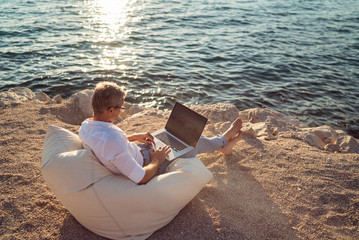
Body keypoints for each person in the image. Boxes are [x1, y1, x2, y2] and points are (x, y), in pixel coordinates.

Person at [79, 82, 242, 185]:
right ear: (110, 110)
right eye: (121, 107)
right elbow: (141, 177)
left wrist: (134, 136)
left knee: (174, 135)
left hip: (140, 150)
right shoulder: (112, 140)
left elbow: (110, 146)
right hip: (147, 162)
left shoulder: (87, 126)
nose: (122, 110)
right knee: (190, 143)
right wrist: (157, 160)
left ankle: (222, 145)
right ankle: (223, 142)